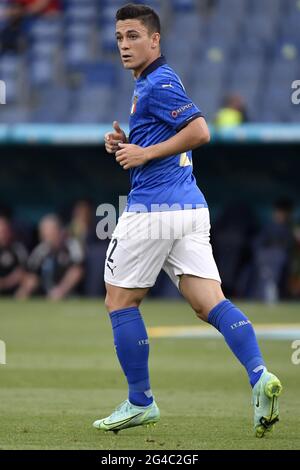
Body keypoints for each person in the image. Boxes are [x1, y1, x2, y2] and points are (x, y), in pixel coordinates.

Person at [92, 3, 282, 438]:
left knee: (120, 301)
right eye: (120, 37)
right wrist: (126, 142)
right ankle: (259, 377)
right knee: (209, 303)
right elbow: (169, 137)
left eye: (133, 36)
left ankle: (140, 401)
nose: (124, 44)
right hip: (190, 208)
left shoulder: (158, 81)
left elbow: (199, 131)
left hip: (153, 210)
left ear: (155, 39)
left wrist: (143, 154)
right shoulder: (150, 83)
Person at [16, 214, 84, 300]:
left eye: (51, 234)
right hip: (46, 296)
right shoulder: (41, 250)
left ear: (60, 231)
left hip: (72, 295)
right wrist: (24, 290)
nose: (48, 239)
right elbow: (32, 274)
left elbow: (77, 271)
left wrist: (61, 290)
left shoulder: (72, 245)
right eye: (45, 235)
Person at [0, 216, 27, 296]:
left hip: (13, 285)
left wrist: (5, 283)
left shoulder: (18, 248)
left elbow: (22, 271)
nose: (2, 234)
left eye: (4, 231)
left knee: (31, 281)